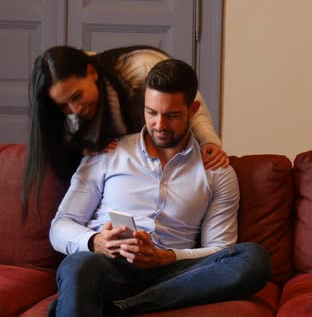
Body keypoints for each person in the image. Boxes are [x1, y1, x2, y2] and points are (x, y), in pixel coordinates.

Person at [48, 59, 271, 316]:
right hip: (108, 267)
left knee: (253, 259)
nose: (160, 125)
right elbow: (60, 226)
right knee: (78, 265)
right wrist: (96, 241)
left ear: (193, 109)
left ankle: (123, 308)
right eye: (151, 112)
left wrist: (166, 257)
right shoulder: (107, 153)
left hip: (173, 274)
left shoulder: (216, 172)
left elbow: (221, 249)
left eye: (172, 115)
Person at [22, 45, 229, 220]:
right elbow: (65, 223)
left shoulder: (141, 67)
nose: (75, 110)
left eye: (77, 96)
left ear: (92, 72)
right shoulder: (81, 127)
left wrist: (208, 142)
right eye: (64, 106)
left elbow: (188, 104)